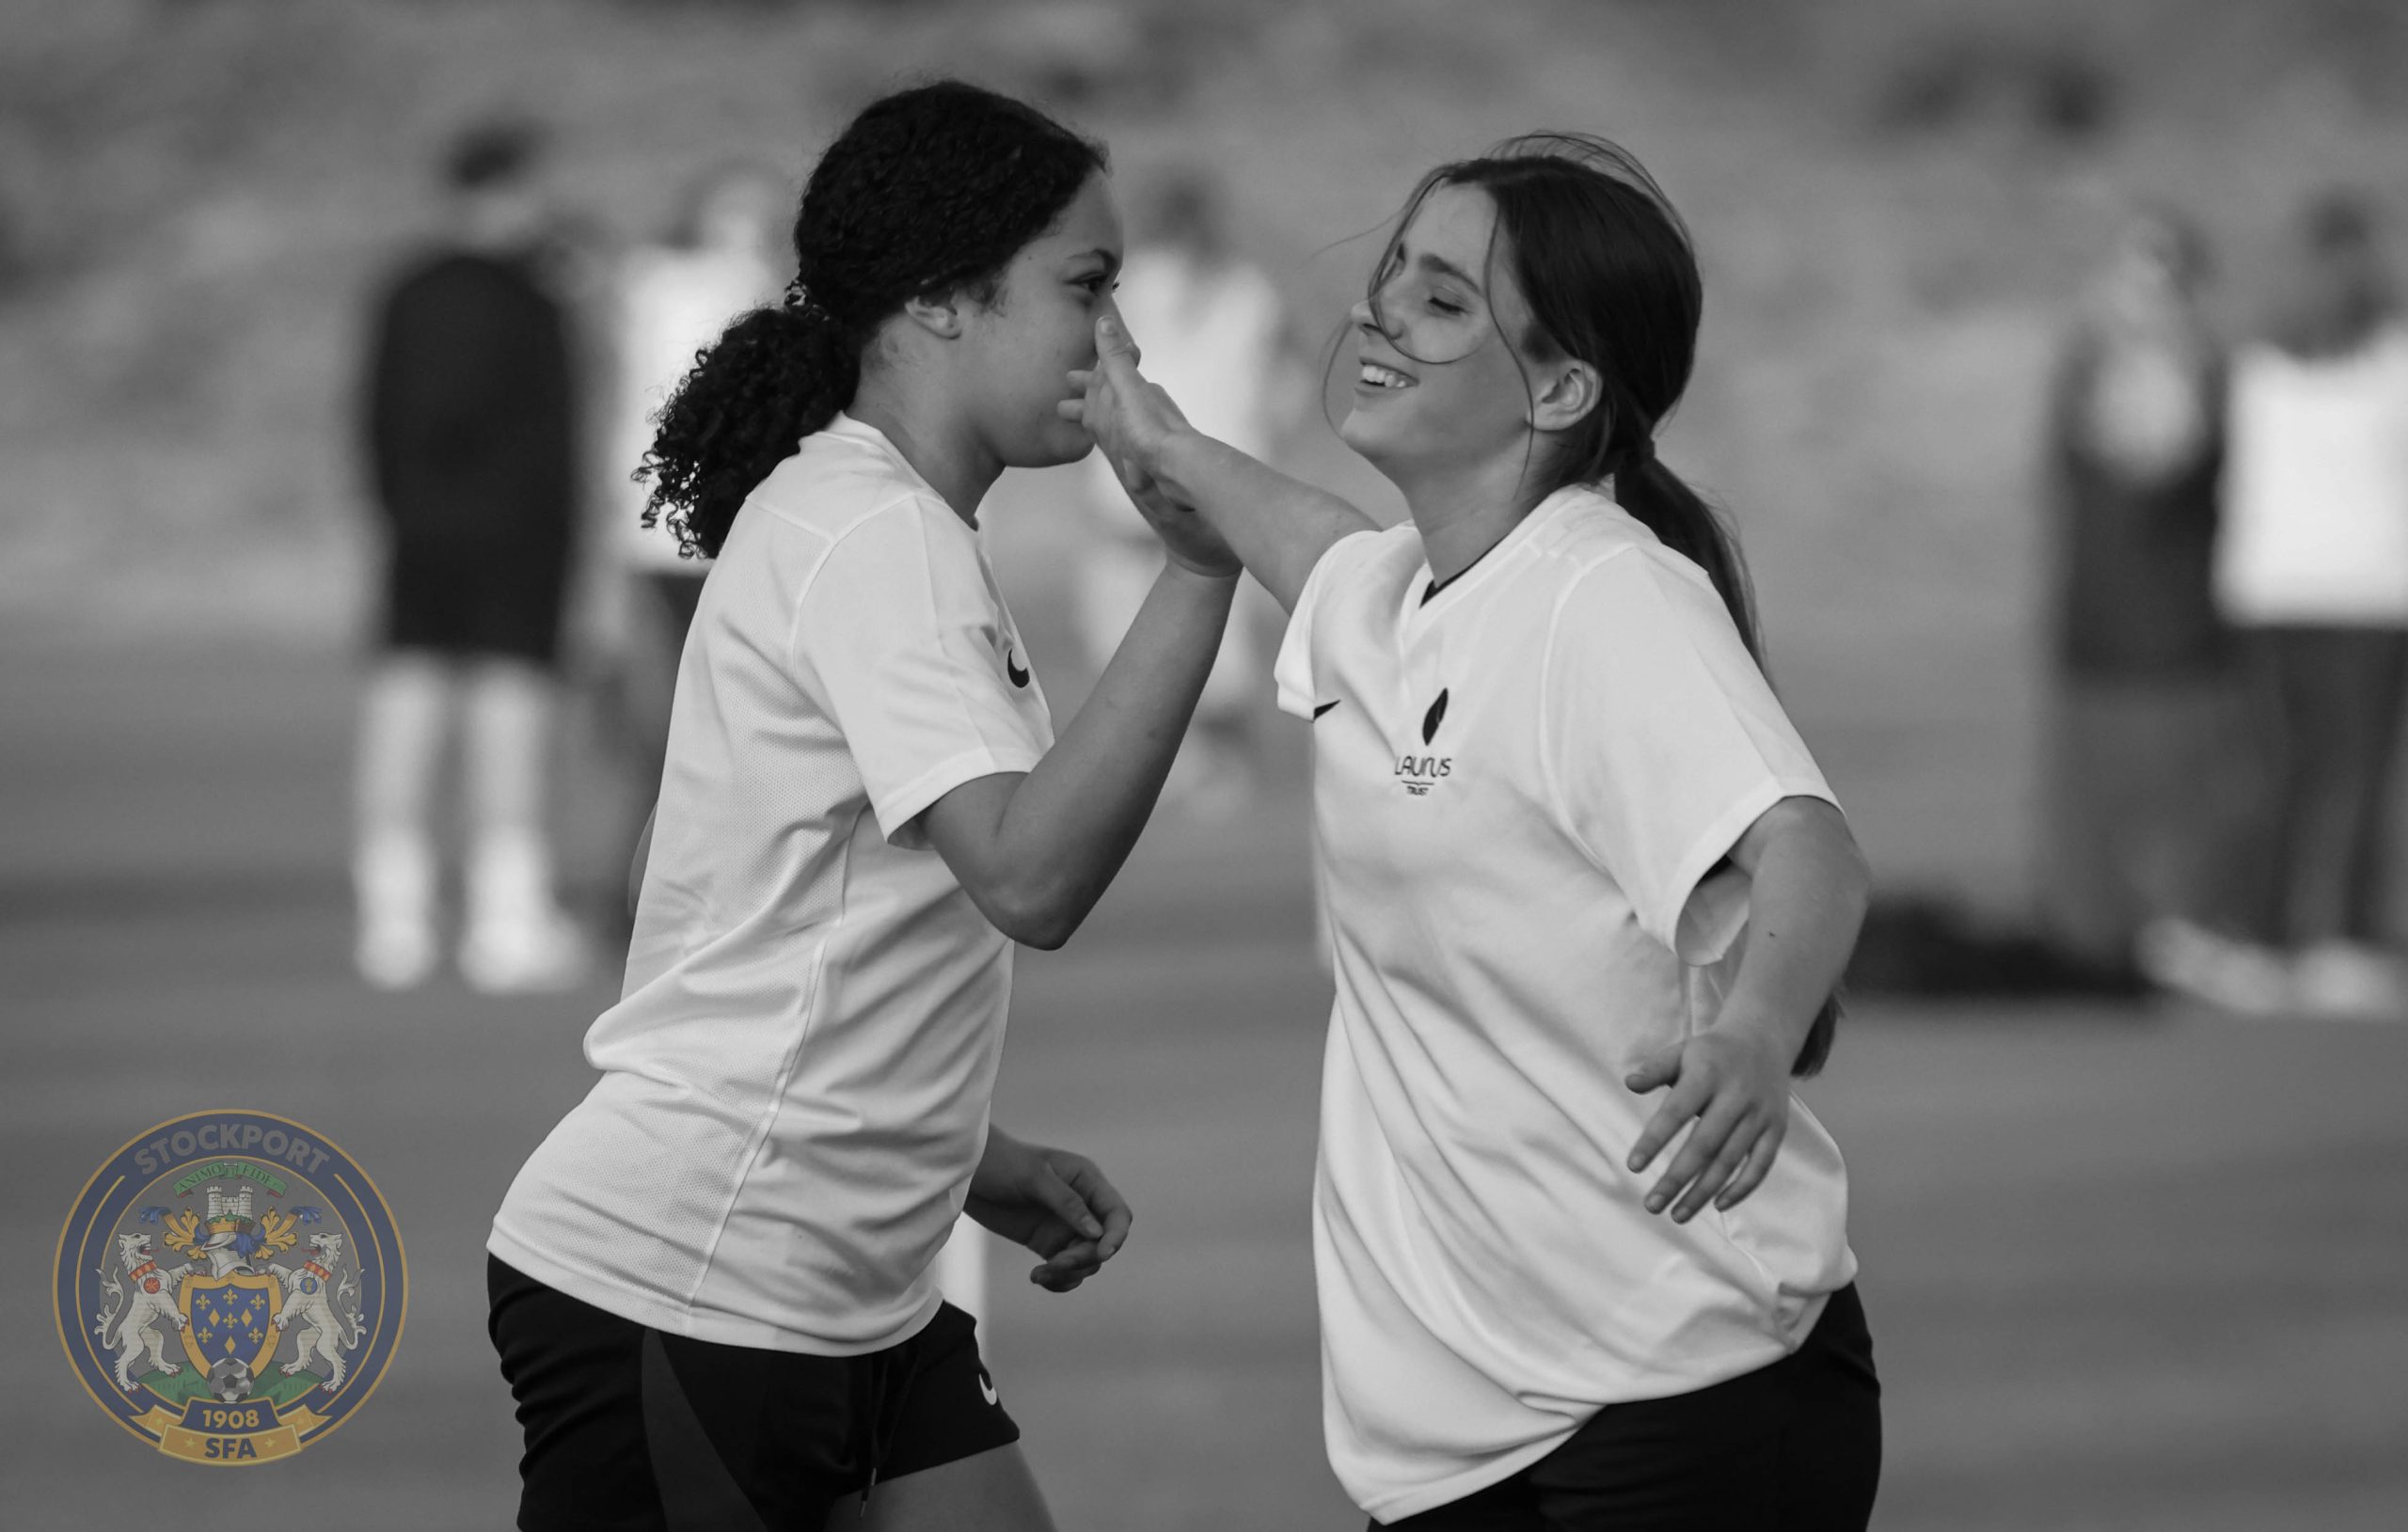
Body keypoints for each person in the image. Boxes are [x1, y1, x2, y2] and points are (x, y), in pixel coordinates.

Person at [1072, 134, 1879, 1529]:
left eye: (1444, 302)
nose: (1381, 311)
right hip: (1464, 1435)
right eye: (1393, 276)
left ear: (1561, 386)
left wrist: (1752, 1032)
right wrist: (1159, 440)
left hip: (1672, 1400)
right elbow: (1311, 544)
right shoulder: (1398, 593)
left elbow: (1806, 843)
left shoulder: (1605, 596)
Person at [485, 81, 1242, 1530]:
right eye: (1086, 287)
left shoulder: (888, 522)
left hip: (854, 1288)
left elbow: (788, 928)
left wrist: (970, 1155)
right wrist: (1199, 569)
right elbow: (1029, 878)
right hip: (696, 1283)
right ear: (947, 298)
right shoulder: (870, 530)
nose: (1119, 343)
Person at [355, 118, 591, 994]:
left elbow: (373, 420)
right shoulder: (531, 294)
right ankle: (507, 917)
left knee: (406, 703)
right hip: (516, 538)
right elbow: (551, 435)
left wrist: (397, 513)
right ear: (512, 186)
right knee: (508, 715)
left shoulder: (405, 288)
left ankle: (395, 917)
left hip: (417, 532)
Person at [2030, 209, 2266, 1000]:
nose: (2144, 296)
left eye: (2163, 277)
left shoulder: (2208, 372)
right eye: (2132, 274)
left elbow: (2177, 461)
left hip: (2178, 633)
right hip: (2094, 628)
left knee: (2186, 801)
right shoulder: (2083, 369)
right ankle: (2094, 940)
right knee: (2094, 815)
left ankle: (2185, 933)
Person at [2210, 189, 2408, 1017]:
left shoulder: (2260, 362)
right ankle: (2333, 941)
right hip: (2353, 588)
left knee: (2301, 772)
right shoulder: (2389, 357)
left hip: (2288, 588)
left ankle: (2280, 941)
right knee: (2340, 772)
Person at [1072, 168, 1297, 813]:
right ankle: (1196, 770)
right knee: (1167, 645)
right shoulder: (1203, 287)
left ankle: (1212, 769)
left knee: (1189, 654)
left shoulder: (1210, 289)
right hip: (1181, 491)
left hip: (1173, 490)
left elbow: (1284, 378)